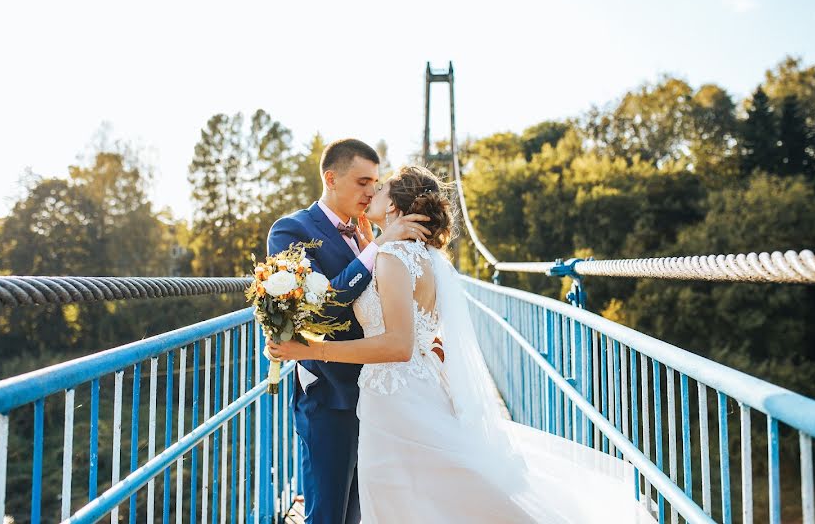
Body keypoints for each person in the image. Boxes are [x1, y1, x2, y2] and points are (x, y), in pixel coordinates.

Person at [268, 165, 654, 523]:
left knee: (398, 499)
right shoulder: (427, 256)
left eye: (381, 186)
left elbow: (398, 344)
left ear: (398, 207)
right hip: (414, 387)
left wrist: (310, 350)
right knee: (433, 492)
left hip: (393, 398)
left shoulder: (390, 256)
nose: (373, 193)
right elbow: (421, 332)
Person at [266, 139, 431, 524]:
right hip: (331, 396)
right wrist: (378, 247)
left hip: (384, 394)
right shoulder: (291, 230)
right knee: (328, 513)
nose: (371, 191)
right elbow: (322, 306)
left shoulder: (368, 234)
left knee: (363, 511)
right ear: (331, 178)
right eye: (362, 181)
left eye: (375, 182)